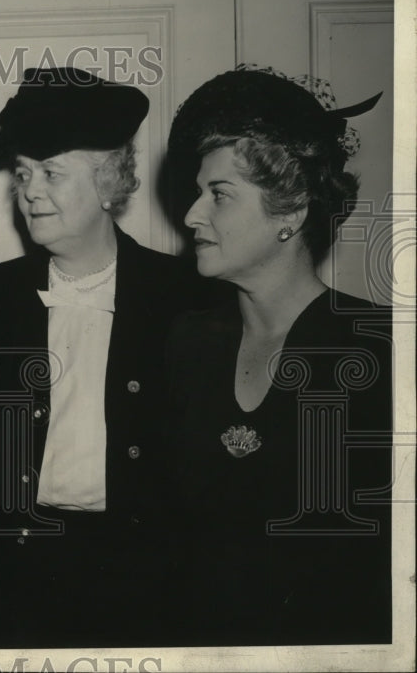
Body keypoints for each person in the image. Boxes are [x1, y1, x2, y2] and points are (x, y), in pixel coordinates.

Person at [0, 67, 209, 648]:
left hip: (146, 589)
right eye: (23, 174)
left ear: (110, 181)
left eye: (52, 173)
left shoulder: (183, 297)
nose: (31, 190)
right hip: (17, 583)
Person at [164, 65, 393, 645]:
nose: (192, 215)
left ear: (290, 211)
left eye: (218, 195)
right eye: (198, 193)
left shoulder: (376, 347)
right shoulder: (187, 345)